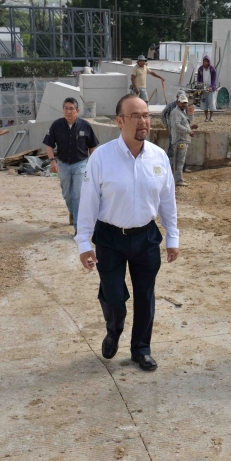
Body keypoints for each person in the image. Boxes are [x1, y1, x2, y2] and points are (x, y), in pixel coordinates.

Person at [76, 94, 179, 372]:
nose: (144, 121)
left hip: (146, 236)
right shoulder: (102, 158)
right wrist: (84, 242)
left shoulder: (158, 157)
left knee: (146, 295)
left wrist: (173, 237)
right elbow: (88, 202)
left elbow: (168, 200)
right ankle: (114, 328)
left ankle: (141, 349)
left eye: (146, 115)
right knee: (114, 297)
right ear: (120, 121)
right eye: (136, 116)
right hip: (110, 237)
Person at [43, 97, 100, 230]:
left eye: (71, 109)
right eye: (66, 108)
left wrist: (94, 164)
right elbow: (49, 145)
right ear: (63, 110)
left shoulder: (85, 126)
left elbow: (92, 147)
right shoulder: (56, 125)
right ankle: (72, 211)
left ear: (77, 110)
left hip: (80, 164)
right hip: (63, 164)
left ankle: (77, 228)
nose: (68, 112)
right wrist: (52, 161)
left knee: (78, 195)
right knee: (67, 194)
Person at [164, 92, 197, 187]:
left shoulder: (181, 112)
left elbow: (183, 124)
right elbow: (177, 126)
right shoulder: (176, 112)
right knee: (180, 160)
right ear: (178, 102)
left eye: (185, 103)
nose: (184, 104)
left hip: (182, 138)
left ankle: (177, 178)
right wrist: (189, 131)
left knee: (179, 160)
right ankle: (178, 179)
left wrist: (191, 127)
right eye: (182, 103)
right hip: (180, 139)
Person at [197, 55, 217, 121]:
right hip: (203, 89)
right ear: (203, 62)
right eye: (204, 61)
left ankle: (211, 117)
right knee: (204, 103)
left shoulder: (212, 69)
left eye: (207, 61)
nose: (206, 63)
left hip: (211, 89)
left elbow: (214, 80)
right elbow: (198, 79)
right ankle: (206, 117)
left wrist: (211, 87)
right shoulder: (200, 69)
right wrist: (200, 84)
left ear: (209, 62)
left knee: (211, 103)